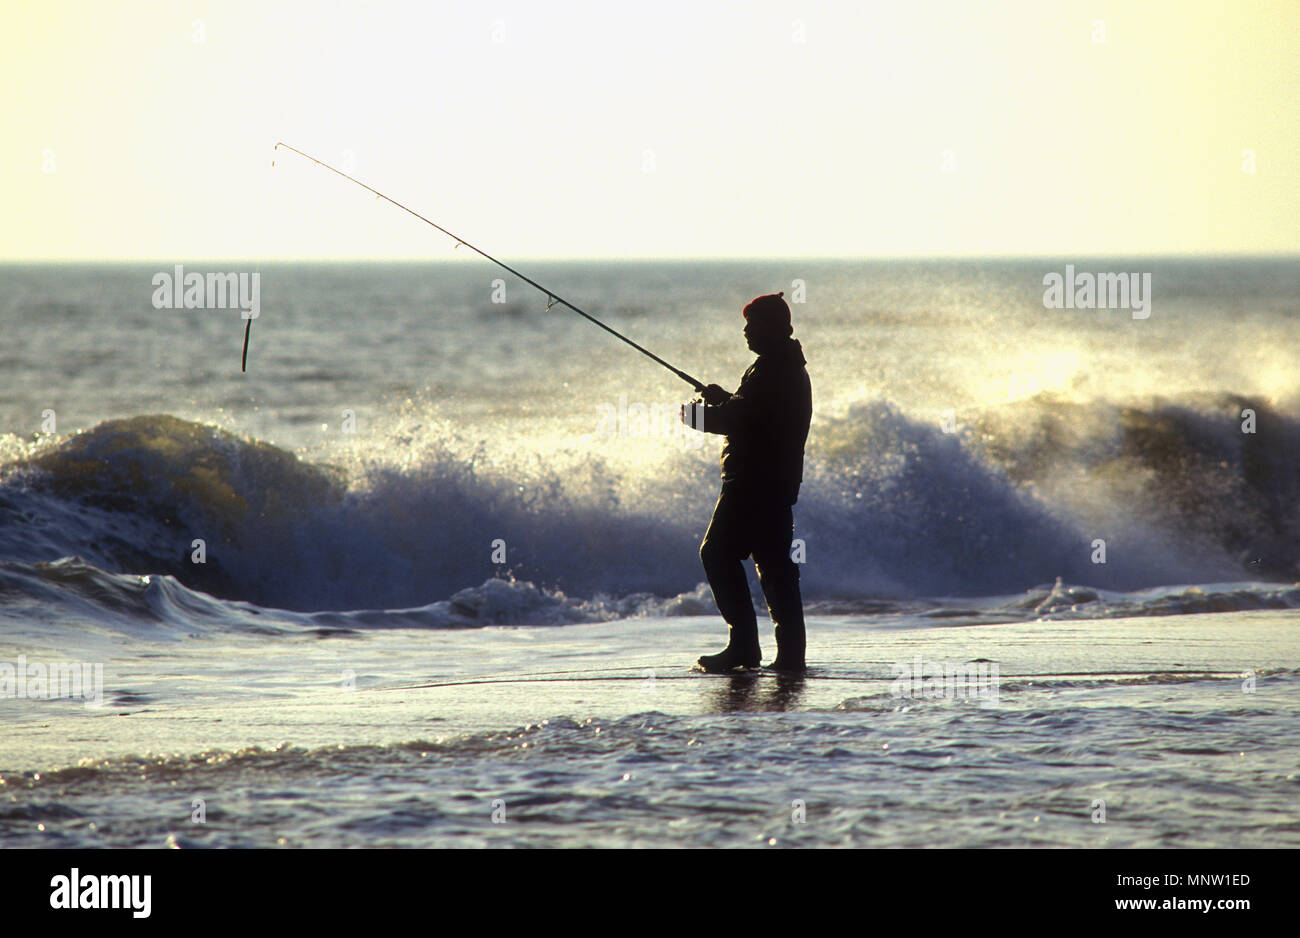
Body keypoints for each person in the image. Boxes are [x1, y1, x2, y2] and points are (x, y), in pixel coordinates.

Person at [680, 292, 812, 672]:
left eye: (753, 324)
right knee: (773, 565)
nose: (745, 331)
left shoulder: (772, 370)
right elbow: (750, 411)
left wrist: (696, 417)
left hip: (752, 483)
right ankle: (789, 657)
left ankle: (744, 647)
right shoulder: (783, 366)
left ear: (775, 328)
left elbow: (738, 420)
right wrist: (726, 398)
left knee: (717, 553)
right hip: (775, 481)